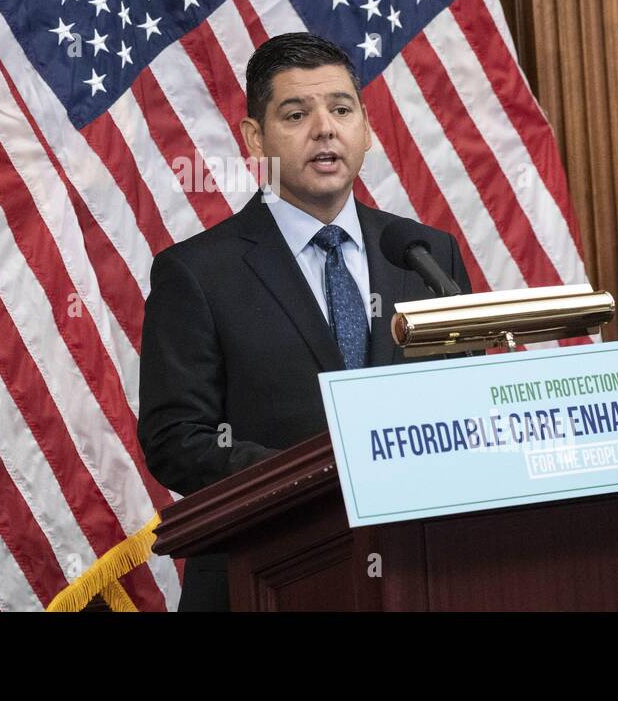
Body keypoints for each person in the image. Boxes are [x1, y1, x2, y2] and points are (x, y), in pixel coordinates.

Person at [137, 33, 472, 611]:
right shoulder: (195, 273)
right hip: (265, 577)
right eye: (296, 113)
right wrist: (318, 477)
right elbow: (177, 442)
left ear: (365, 127)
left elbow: (463, 402)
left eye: (342, 110)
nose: (325, 128)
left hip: (420, 572)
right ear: (255, 138)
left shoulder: (426, 255)